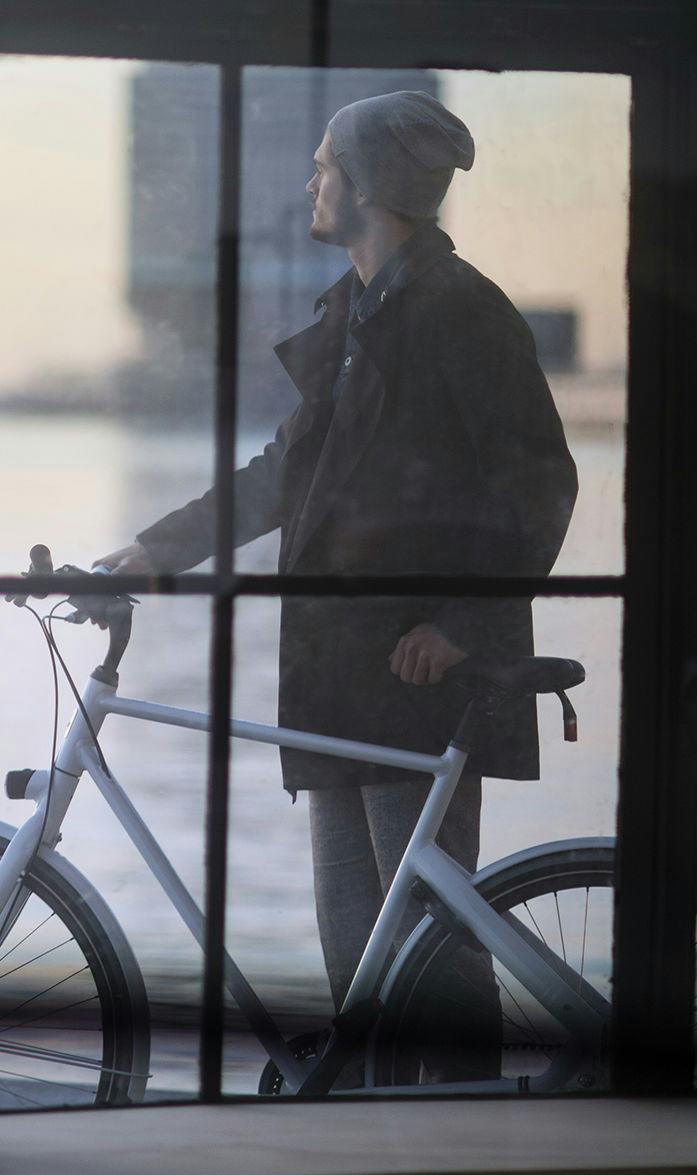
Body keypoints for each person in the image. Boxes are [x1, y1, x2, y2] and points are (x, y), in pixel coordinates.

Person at [96, 91, 578, 1080]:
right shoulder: (358, 311)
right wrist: (156, 550)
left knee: (427, 957)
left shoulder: (461, 312)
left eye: (323, 165)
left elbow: (540, 483)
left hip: (414, 672)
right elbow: (283, 472)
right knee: (358, 957)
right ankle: (378, 1137)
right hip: (341, 672)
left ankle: (471, 1139)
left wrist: (459, 625)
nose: (309, 182)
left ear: (369, 187)